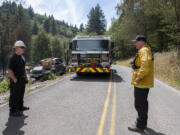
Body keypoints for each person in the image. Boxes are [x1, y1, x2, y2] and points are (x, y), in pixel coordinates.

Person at [128, 35, 154, 132]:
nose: (134, 43)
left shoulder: (144, 50)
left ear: (142, 42)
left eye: (136, 41)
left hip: (142, 82)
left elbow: (146, 63)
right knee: (142, 104)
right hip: (143, 82)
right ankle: (142, 123)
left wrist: (139, 76)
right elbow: (143, 63)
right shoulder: (145, 50)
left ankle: (140, 126)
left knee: (139, 104)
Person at [7, 40, 30, 117]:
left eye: (23, 47)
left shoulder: (22, 57)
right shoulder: (13, 58)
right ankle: (13, 111)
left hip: (22, 79)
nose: (23, 49)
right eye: (22, 47)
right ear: (16, 48)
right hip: (16, 80)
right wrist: (14, 79)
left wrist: (26, 77)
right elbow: (9, 70)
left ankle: (20, 107)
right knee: (14, 95)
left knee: (21, 94)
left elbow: (23, 68)